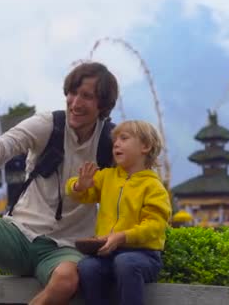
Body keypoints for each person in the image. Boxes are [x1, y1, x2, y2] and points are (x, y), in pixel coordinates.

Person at [0, 62, 119, 305]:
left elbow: (135, 186)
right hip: (19, 236)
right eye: (72, 93)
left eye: (86, 96)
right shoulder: (47, 124)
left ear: (103, 105)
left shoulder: (111, 141)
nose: (75, 103)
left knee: (67, 279)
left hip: (65, 249)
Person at [67, 120, 171, 305]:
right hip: (108, 253)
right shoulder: (107, 176)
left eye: (124, 138)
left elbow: (155, 226)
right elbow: (80, 194)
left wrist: (122, 237)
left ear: (145, 146)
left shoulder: (153, 187)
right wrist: (79, 185)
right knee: (88, 267)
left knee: (126, 262)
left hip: (144, 255)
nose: (116, 143)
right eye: (115, 139)